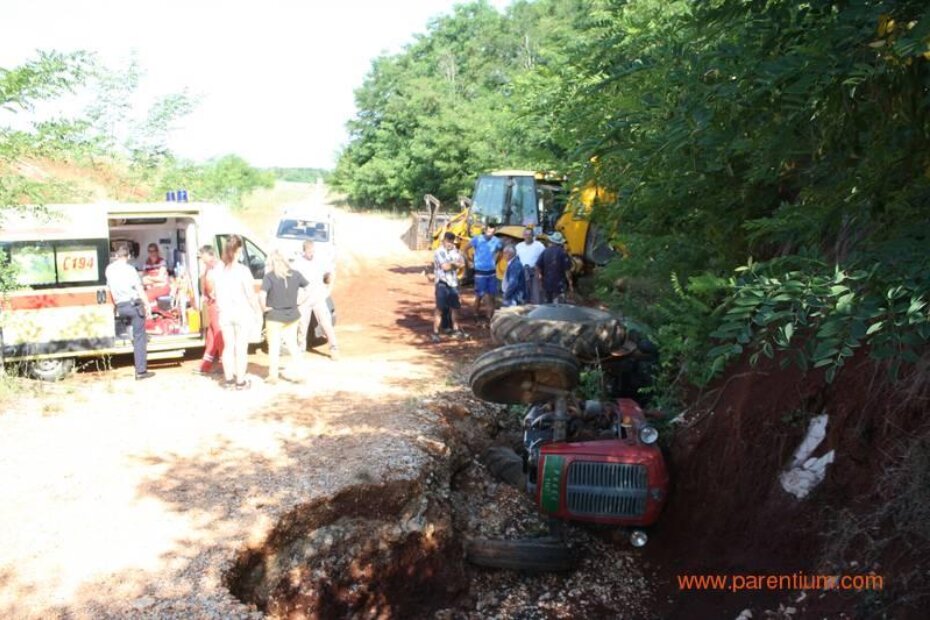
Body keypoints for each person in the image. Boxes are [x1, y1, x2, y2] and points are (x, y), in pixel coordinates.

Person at [213, 235, 261, 389]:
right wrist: (257, 311)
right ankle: (240, 381)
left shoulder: (220, 271)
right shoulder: (243, 271)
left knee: (228, 347)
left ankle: (228, 380)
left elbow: (216, 294)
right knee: (241, 348)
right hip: (241, 312)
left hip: (225, 313)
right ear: (239, 250)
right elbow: (251, 295)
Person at [260, 248, 310, 384]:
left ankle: (273, 376)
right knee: (293, 345)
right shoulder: (296, 275)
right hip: (292, 315)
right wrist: (301, 301)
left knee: (274, 346)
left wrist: (264, 308)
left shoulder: (269, 277)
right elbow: (308, 288)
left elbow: (262, 295)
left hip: (274, 316)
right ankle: (300, 373)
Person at [105, 246, 154, 380]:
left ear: (116, 256)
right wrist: (148, 305)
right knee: (140, 338)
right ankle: (141, 371)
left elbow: (109, 288)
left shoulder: (109, 269)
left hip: (121, 307)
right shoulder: (130, 269)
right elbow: (139, 289)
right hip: (133, 305)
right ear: (128, 257)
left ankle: (132, 342)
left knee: (131, 331)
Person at [293, 240, 339, 361]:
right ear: (304, 251)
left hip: (318, 297)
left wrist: (328, 290)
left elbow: (331, 273)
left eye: (312, 251)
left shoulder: (319, 260)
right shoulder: (298, 263)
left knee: (326, 323)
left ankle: (334, 348)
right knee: (302, 325)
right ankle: (301, 350)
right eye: (309, 251)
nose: (311, 253)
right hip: (304, 299)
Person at [194, 245, 223, 375]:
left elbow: (222, 284)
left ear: (208, 254)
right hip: (210, 304)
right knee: (211, 335)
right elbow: (203, 284)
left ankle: (224, 363)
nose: (201, 259)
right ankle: (206, 364)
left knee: (218, 333)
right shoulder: (207, 267)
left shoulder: (219, 267)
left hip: (217, 304)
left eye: (202, 256)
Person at [432, 231, 466, 342]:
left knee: (455, 307)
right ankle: (435, 332)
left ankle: (455, 330)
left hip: (453, 282)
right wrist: (455, 264)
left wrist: (454, 264)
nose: (450, 244)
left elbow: (462, 264)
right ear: (444, 240)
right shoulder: (439, 252)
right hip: (442, 282)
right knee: (440, 308)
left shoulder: (455, 250)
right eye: (448, 241)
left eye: (452, 241)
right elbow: (445, 267)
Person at [469, 222, 502, 322]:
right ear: (485, 230)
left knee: (492, 296)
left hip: (491, 272)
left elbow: (500, 250)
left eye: (492, 232)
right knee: (480, 296)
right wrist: (469, 261)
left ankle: (489, 318)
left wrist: (495, 260)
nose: (490, 234)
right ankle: (475, 315)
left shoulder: (497, 241)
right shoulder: (477, 239)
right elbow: (465, 248)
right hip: (480, 272)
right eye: (488, 231)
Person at [537, 231, 574, 303]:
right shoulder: (563, 253)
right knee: (559, 305)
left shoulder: (545, 251)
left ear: (551, 241)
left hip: (547, 283)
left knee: (548, 303)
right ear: (561, 242)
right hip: (559, 284)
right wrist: (570, 284)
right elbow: (567, 271)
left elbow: (538, 266)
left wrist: (540, 279)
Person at [515, 226, 545, 304]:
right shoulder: (519, 246)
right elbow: (515, 260)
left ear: (533, 236)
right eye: (526, 234)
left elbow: (544, 258)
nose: (527, 236)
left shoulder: (539, 245)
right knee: (524, 292)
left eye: (529, 234)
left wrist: (541, 271)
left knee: (535, 293)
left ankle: (535, 310)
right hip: (523, 271)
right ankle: (524, 308)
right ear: (523, 236)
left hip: (535, 271)